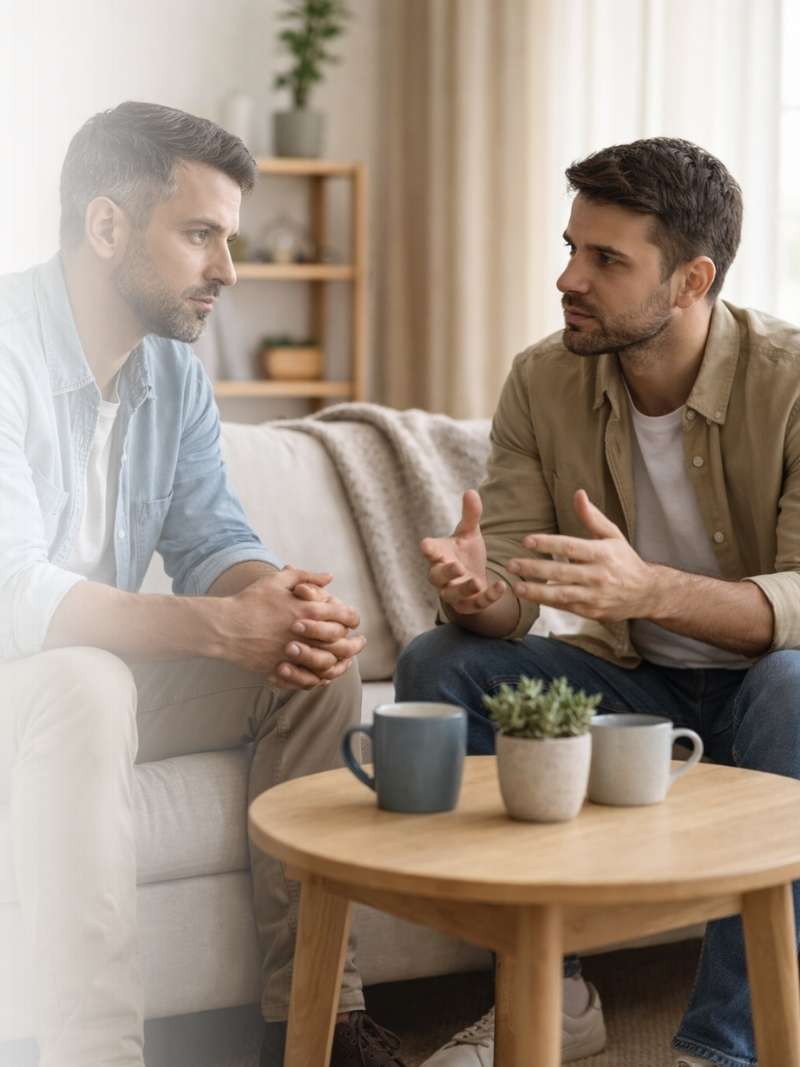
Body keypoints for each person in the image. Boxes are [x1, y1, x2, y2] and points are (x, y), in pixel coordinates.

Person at [0, 101, 406, 1067]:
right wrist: (221, 629)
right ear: (106, 228)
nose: (228, 269)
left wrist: (279, 604)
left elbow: (213, 532)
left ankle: (314, 1027)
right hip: (30, 673)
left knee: (310, 665)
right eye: (199, 236)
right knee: (87, 679)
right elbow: (14, 593)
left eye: (228, 238)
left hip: (78, 678)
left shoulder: (173, 371)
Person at [396, 136, 800, 1067]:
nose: (567, 277)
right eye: (571, 246)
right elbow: (512, 601)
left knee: (791, 683)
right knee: (439, 664)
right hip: (637, 690)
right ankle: (553, 988)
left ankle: (720, 1045)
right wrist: (478, 592)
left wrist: (650, 586)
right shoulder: (544, 378)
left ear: (692, 279)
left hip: (768, 695)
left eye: (605, 259)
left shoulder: (789, 381)